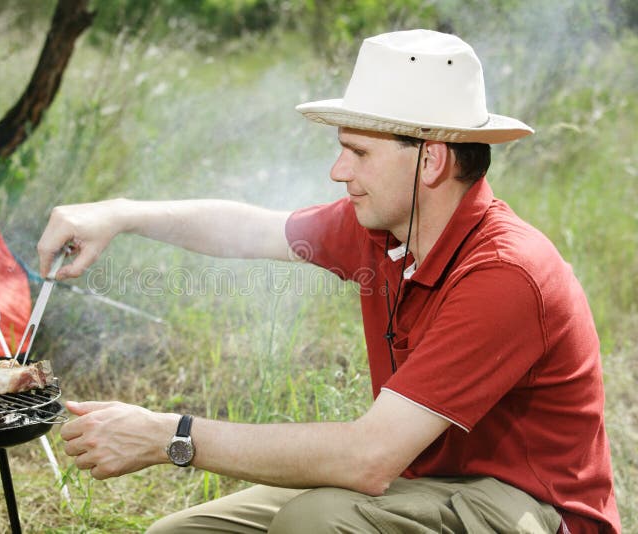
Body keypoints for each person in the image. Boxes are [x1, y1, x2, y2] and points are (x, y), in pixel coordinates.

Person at [37, 29, 620, 533]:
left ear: (431, 160)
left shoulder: (506, 274)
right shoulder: (386, 230)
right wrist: (120, 214)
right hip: (424, 481)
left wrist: (169, 435)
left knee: (315, 524)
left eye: (358, 153)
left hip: (533, 509)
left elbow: (368, 458)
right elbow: (250, 229)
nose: (338, 171)